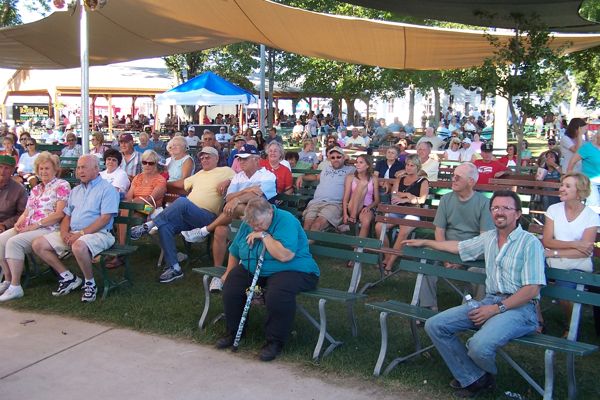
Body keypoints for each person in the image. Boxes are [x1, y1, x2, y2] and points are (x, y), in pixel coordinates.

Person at [405, 190, 546, 398]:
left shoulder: (529, 243)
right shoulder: (489, 238)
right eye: (495, 208)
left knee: (478, 346)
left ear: (517, 214)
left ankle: (483, 375)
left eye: (506, 208)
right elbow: (459, 247)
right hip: (490, 300)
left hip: (520, 309)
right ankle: (475, 378)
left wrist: (495, 309)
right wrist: (426, 242)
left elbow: (532, 289)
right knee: (435, 325)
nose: (499, 212)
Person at [216, 197, 319, 361]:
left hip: (293, 269)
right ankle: (233, 332)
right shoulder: (250, 222)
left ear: (270, 212)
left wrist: (265, 236)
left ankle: (274, 342)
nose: (255, 228)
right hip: (256, 268)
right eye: (252, 225)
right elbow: (235, 249)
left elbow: (285, 255)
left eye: (259, 224)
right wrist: (228, 272)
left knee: (277, 293)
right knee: (232, 286)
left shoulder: (286, 220)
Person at [129, 147, 235, 283]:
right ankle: (174, 267)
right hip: (188, 215)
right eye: (202, 158)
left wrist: (228, 181)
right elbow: (180, 184)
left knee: (182, 202)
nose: (204, 160)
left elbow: (239, 179)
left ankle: (149, 225)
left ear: (216, 158)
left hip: (207, 216)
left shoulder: (226, 171)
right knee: (165, 226)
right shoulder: (199, 174)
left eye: (207, 157)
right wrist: (160, 183)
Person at [182, 144, 276, 289]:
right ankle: (217, 274)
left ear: (256, 160)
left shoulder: (268, 175)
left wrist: (237, 199)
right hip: (238, 218)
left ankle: (205, 230)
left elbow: (257, 197)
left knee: (239, 207)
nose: (241, 162)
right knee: (220, 229)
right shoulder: (238, 176)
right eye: (239, 159)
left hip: (260, 220)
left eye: (245, 159)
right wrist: (245, 192)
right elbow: (228, 197)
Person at [31, 155, 120, 303]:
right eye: (78, 168)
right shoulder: (76, 190)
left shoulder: (107, 189)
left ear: (96, 169)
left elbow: (105, 219)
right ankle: (68, 277)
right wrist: (64, 232)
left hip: (100, 233)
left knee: (78, 246)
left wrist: (81, 234)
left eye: (84, 167)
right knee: (38, 244)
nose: (80, 171)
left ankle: (90, 283)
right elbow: (67, 216)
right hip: (74, 233)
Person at [418, 163, 494, 309]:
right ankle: (427, 307)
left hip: (472, 251)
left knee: (479, 271)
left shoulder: (484, 203)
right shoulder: (446, 199)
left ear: (471, 181)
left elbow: (483, 239)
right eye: (453, 176)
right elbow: (439, 231)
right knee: (426, 261)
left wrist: (461, 258)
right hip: (446, 248)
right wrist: (445, 257)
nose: (453, 179)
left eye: (458, 177)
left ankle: (472, 310)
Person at [0, 152, 71, 301]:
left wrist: (35, 225)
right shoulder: (36, 189)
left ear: (55, 169)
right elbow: (27, 212)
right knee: (1, 240)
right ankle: (7, 280)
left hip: (49, 228)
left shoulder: (62, 185)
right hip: (29, 227)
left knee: (14, 242)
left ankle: (15, 286)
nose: (43, 172)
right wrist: (19, 222)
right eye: (41, 169)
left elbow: (60, 214)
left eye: (47, 168)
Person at [542, 173, 600, 334]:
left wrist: (554, 253)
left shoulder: (591, 216)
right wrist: (575, 244)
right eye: (562, 185)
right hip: (553, 261)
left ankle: (570, 325)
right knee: (528, 281)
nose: (561, 188)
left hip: (576, 264)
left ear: (579, 191)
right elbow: (547, 241)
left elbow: (584, 252)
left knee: (565, 295)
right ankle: (536, 320)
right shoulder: (553, 209)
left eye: (567, 186)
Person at [374, 154, 429, 274]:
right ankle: (387, 255)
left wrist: (405, 198)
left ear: (417, 167)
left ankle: (390, 263)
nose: (409, 167)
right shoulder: (400, 179)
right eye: (407, 165)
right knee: (379, 226)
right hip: (397, 210)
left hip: (413, 212)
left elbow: (422, 200)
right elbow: (394, 195)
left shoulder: (423, 181)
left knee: (403, 230)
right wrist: (408, 196)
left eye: (412, 165)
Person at [299, 146, 355, 232]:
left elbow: (364, 172)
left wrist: (349, 160)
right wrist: (302, 177)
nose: (335, 159)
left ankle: (307, 242)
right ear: (329, 159)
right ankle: (307, 241)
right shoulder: (326, 169)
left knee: (316, 226)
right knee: (307, 226)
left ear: (344, 158)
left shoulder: (351, 170)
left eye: (338, 157)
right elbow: (316, 177)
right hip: (316, 202)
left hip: (334, 204)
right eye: (333, 158)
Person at [341, 154, 379, 238]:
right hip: (352, 206)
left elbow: (377, 200)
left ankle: (358, 245)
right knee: (362, 183)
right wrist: (345, 214)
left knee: (366, 221)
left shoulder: (374, 178)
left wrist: (369, 207)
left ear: (367, 165)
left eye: (361, 163)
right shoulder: (350, 177)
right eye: (357, 162)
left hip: (366, 207)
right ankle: (352, 217)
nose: (357, 165)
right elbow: (345, 199)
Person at [567, 128, 600, 210]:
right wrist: (569, 178)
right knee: (594, 206)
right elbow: (572, 162)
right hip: (591, 181)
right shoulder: (587, 148)